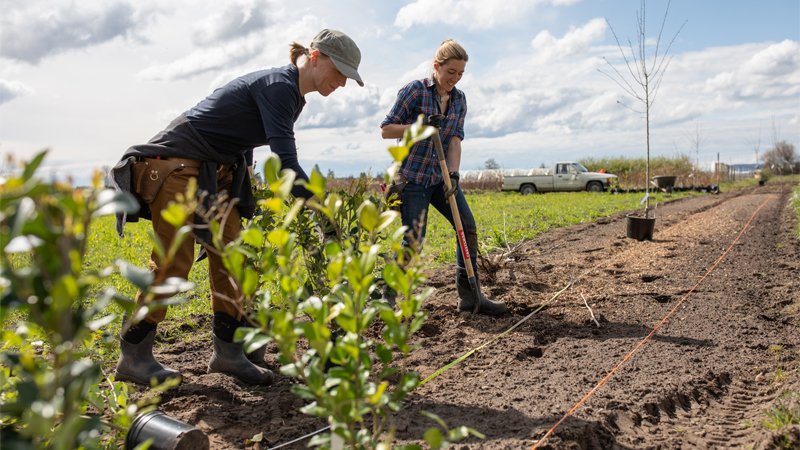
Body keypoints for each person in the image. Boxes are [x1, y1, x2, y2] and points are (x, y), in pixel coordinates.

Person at [110, 29, 364, 386]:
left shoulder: (291, 95)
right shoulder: (280, 86)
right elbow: (287, 163)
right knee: (173, 265)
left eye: (348, 77)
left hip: (212, 173)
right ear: (316, 56)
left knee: (234, 259)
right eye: (339, 72)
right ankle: (133, 356)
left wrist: (240, 188)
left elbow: (240, 137)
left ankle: (227, 354)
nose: (342, 82)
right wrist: (322, 209)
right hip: (177, 168)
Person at [379, 39, 506, 316]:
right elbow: (386, 129)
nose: (455, 78)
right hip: (411, 178)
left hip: (441, 178)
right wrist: (420, 126)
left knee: (467, 228)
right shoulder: (414, 91)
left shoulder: (459, 99)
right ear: (436, 67)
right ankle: (385, 298)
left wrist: (454, 174)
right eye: (450, 71)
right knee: (413, 241)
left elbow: (455, 140)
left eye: (460, 73)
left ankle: (471, 298)